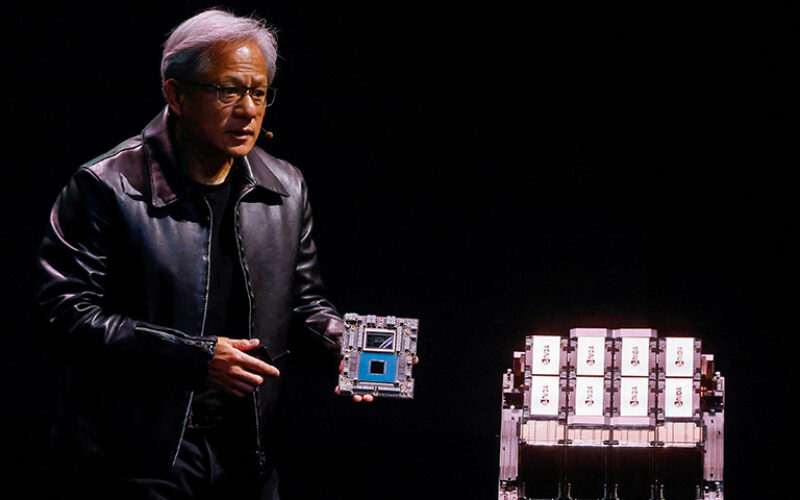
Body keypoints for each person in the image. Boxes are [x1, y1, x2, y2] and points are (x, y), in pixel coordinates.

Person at [35, 8, 369, 498]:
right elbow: (63, 313)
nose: (248, 109)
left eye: (259, 93)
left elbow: (303, 304)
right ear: (175, 94)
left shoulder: (285, 187)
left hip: (248, 453)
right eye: (227, 91)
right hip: (136, 457)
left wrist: (349, 348)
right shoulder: (106, 186)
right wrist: (194, 358)